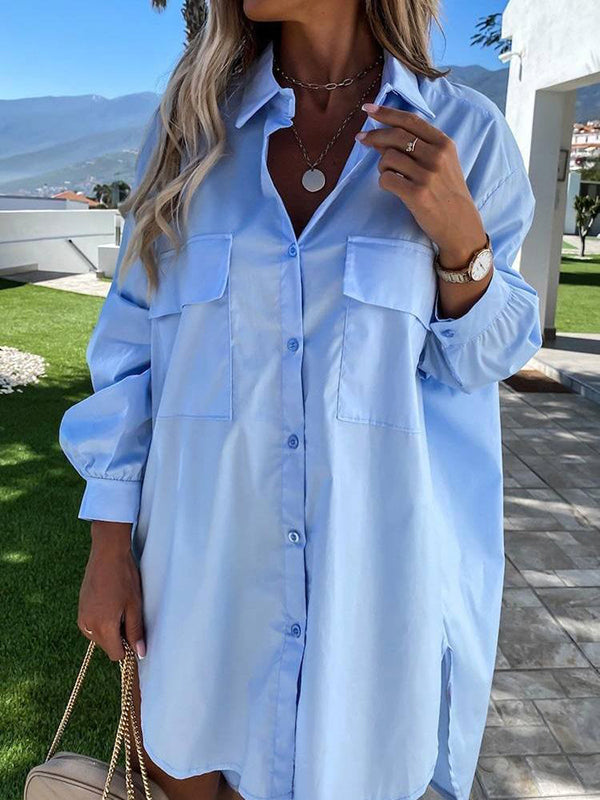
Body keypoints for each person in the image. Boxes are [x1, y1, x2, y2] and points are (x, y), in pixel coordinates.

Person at [58, 2, 543, 800]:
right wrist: (108, 548)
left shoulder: (465, 132)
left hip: (372, 594)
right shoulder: (190, 133)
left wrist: (463, 242)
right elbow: (129, 351)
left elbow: (483, 360)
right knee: (185, 759)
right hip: (198, 584)